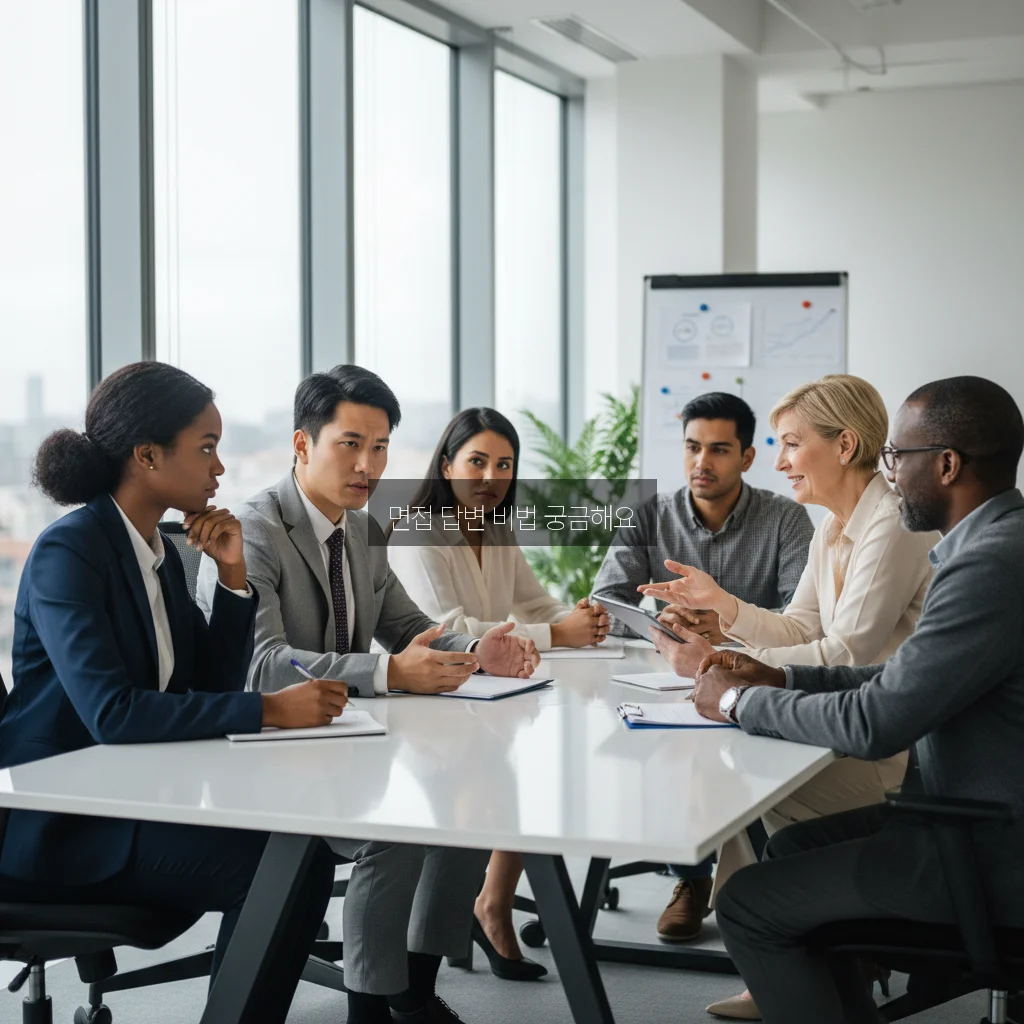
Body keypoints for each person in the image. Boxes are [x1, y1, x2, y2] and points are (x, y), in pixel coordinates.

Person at [197, 366, 540, 1024]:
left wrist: (476, 651)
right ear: (302, 445)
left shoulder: (364, 530)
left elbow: (411, 630)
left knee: (473, 798)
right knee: (397, 830)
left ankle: (412, 984)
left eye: (379, 447)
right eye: (349, 444)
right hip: (268, 747)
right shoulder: (258, 530)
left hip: (350, 741)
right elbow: (265, 664)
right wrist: (389, 674)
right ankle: (371, 1006)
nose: (367, 464)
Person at [0, 362, 340, 1024]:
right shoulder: (69, 551)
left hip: (127, 794)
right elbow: (112, 712)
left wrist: (234, 577)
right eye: (206, 447)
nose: (219, 469)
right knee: (279, 866)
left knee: (300, 849)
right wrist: (270, 709)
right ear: (148, 455)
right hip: (60, 822)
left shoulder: (154, 549)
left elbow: (200, 687)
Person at [690, 375, 1024, 1024]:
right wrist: (778, 679)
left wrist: (738, 704)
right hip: (967, 814)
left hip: (990, 849)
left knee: (746, 903)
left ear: (948, 465)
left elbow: (876, 720)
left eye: (898, 456)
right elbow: (894, 675)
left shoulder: (991, 564)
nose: (889, 472)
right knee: (788, 849)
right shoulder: (993, 544)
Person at [642, 374, 937, 1019]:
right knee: (738, 768)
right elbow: (802, 629)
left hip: (883, 740)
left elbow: (846, 654)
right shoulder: (834, 526)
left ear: (845, 445)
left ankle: (799, 953)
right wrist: (721, 614)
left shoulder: (891, 523)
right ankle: (805, 955)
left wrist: (729, 667)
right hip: (838, 718)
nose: (777, 462)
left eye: (791, 444)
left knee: (741, 778)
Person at [387, 406, 611, 981]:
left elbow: (533, 606)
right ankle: (490, 906)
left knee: (532, 769)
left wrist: (577, 618)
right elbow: (441, 627)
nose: (490, 476)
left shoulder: (496, 526)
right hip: (425, 697)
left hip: (485, 692)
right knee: (518, 778)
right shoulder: (418, 530)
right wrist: (554, 634)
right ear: (446, 464)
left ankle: (491, 902)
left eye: (504, 464)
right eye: (477, 461)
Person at [591, 391, 815, 943]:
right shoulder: (649, 514)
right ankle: (691, 879)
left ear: (746, 457)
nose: (701, 462)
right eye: (692, 447)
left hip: (750, 673)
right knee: (662, 740)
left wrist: (725, 629)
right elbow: (605, 604)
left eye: (718, 449)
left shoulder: (786, 519)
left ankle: (749, 886)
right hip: (664, 673)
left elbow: (801, 620)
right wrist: (666, 628)